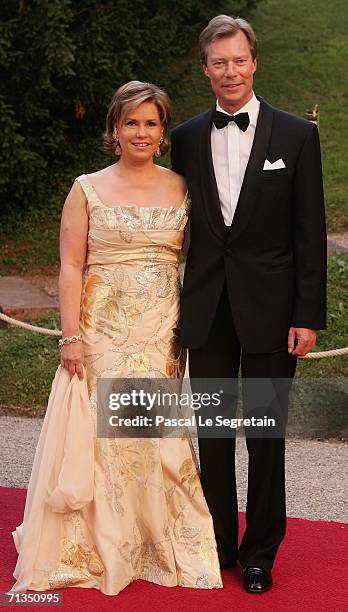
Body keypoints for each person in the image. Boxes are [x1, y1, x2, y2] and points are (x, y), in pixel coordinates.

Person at [12, 81, 222, 595]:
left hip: (161, 331)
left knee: (155, 438)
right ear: (114, 128)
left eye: (151, 123)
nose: (142, 132)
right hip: (100, 330)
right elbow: (70, 265)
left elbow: (195, 261)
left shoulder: (182, 188)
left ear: (163, 131)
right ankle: (101, 546)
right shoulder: (86, 188)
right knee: (105, 438)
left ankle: (156, 542)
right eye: (132, 122)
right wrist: (70, 337)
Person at [171, 15, 327, 593]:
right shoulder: (185, 138)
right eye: (219, 62)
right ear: (206, 69)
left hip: (271, 312)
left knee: (264, 436)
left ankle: (261, 552)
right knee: (212, 436)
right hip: (208, 312)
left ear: (254, 62)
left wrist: (307, 315)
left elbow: (310, 234)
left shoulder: (296, 136)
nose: (230, 72)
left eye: (239, 60)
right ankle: (218, 544)